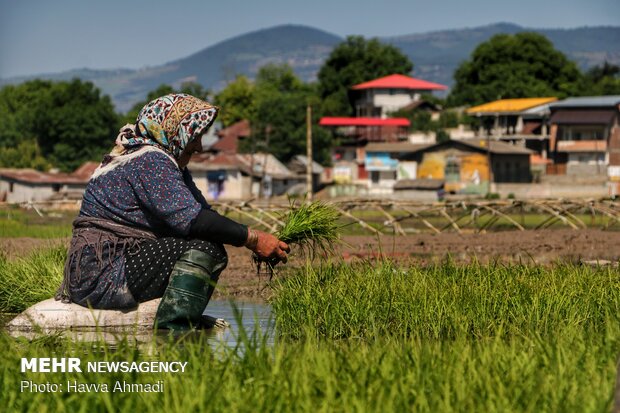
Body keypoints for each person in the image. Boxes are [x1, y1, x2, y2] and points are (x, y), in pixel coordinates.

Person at [55, 93, 289, 330]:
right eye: (195, 137)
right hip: (100, 276)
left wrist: (254, 237)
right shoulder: (149, 161)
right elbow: (194, 221)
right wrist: (254, 238)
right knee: (206, 249)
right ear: (174, 130)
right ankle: (173, 334)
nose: (198, 147)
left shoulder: (166, 161)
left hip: (113, 268)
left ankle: (178, 322)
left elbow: (204, 216)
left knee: (207, 242)